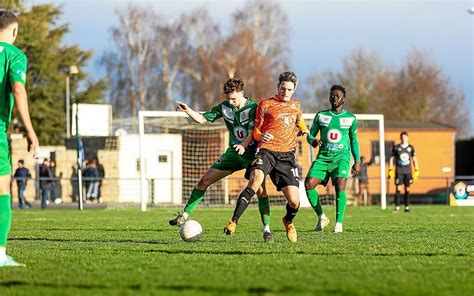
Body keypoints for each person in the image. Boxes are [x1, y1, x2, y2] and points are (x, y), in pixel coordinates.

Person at [169, 79, 273, 242]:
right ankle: (184, 215)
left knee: (260, 191)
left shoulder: (253, 107)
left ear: (241, 93)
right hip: (233, 153)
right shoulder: (224, 107)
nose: (231, 103)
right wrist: (188, 110)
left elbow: (253, 132)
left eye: (234, 99)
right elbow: (202, 119)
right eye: (228, 99)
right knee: (204, 181)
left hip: (253, 153)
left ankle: (266, 229)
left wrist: (244, 146)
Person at [224, 71, 309, 243]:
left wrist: (305, 130)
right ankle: (233, 222)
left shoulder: (296, 106)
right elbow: (255, 131)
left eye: (289, 89)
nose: (285, 92)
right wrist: (260, 136)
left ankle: (288, 221)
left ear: (294, 90)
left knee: (294, 201)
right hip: (266, 151)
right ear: (278, 87)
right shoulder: (265, 104)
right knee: (255, 182)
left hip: (286, 156)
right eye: (283, 88)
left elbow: (299, 120)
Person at [0, 10, 39, 267]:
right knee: (2, 191)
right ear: (14, 31)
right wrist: (30, 131)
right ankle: (0, 255)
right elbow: (18, 89)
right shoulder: (14, 55)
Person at [304, 85, 361, 233]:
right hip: (323, 157)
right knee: (309, 184)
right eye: (331, 95)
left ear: (344, 98)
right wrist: (313, 141)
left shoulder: (350, 119)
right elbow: (310, 135)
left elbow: (354, 141)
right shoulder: (321, 116)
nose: (334, 98)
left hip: (341, 157)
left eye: (337, 96)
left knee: (340, 183)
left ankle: (339, 224)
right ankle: (322, 216)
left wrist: (357, 161)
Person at [389, 131, 419, 212]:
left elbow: (414, 159)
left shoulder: (411, 148)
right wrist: (390, 169)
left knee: (407, 189)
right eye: (402, 137)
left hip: (408, 172)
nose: (403, 139)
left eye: (405, 137)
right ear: (400, 138)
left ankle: (407, 206)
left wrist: (417, 170)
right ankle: (397, 206)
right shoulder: (396, 147)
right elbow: (391, 159)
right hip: (399, 171)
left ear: (407, 138)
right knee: (398, 189)